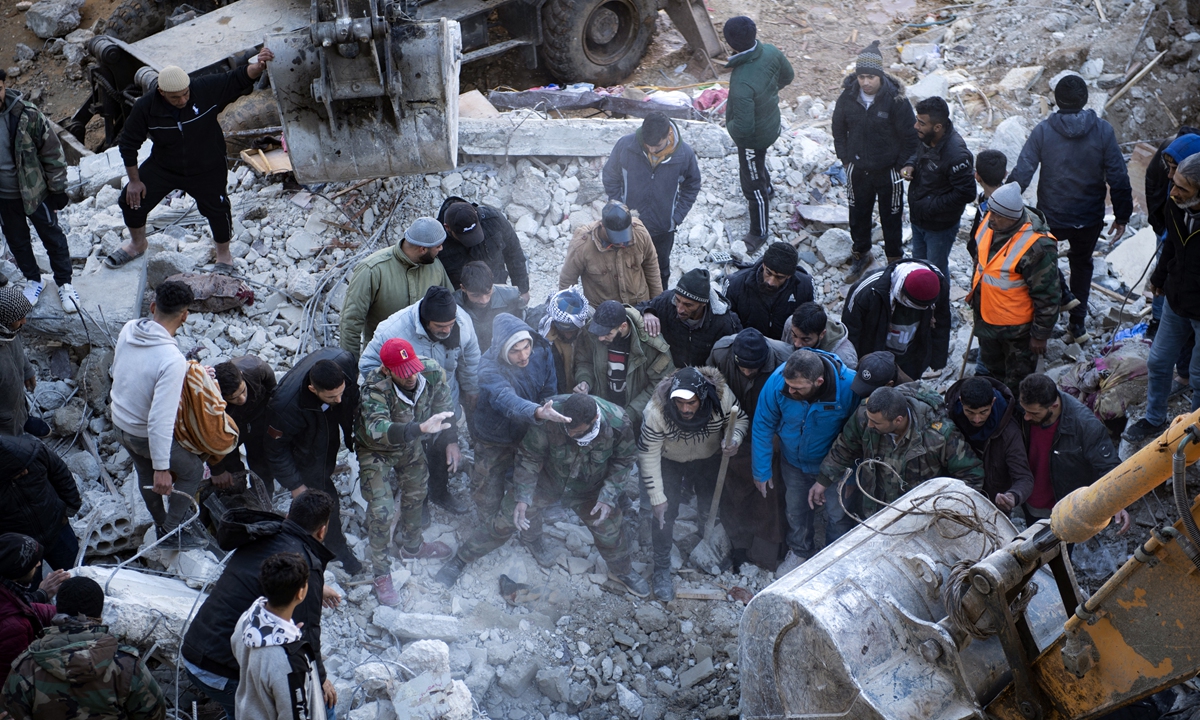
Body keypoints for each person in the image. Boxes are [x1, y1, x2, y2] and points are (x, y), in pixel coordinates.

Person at [435, 394, 651, 598]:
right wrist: (523, 496)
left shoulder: (618, 422)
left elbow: (624, 460)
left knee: (609, 531)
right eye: (568, 430)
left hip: (591, 488)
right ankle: (461, 559)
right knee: (507, 519)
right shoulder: (552, 413)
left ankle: (622, 571)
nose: (571, 435)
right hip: (547, 481)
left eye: (577, 432)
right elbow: (530, 456)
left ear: (595, 419)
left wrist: (608, 495)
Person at [106, 50, 274, 272]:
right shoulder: (145, 107)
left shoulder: (203, 88)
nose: (183, 100)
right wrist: (135, 181)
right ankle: (138, 244)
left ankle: (224, 256)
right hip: (165, 165)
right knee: (130, 200)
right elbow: (128, 144)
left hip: (207, 165)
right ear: (161, 92)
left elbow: (238, 77)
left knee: (218, 208)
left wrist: (259, 66)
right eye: (175, 97)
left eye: (185, 94)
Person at [182, 491, 339, 719]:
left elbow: (259, 574)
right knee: (324, 708)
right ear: (322, 530)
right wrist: (322, 679)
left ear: (287, 515)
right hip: (219, 670)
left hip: (194, 648)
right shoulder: (307, 565)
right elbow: (308, 635)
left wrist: (314, 586)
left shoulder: (262, 534)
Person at [1008, 75, 1133, 342]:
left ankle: (1048, 316)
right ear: (1085, 100)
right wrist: (1122, 215)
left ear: (1057, 101)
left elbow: (1023, 172)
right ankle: (1077, 326)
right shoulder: (1103, 131)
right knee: (1082, 264)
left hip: (1052, 216)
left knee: (1042, 260)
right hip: (1089, 217)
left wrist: (1001, 203)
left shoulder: (1043, 131)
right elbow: (1119, 176)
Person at [360, 285, 480, 516]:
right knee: (412, 457)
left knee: (440, 448)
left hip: (444, 398)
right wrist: (396, 396)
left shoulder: (461, 322)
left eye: (450, 325)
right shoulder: (392, 331)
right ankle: (418, 502)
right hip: (408, 408)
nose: (447, 330)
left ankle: (440, 492)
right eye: (440, 327)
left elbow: (472, 357)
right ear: (425, 321)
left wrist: (472, 388)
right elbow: (367, 366)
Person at [356, 339, 456, 605]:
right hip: (376, 450)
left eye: (412, 368)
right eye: (402, 372)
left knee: (417, 492)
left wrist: (451, 440)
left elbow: (445, 408)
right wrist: (420, 430)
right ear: (387, 371)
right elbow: (379, 429)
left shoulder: (431, 371)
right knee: (382, 510)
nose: (411, 376)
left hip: (411, 444)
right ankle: (380, 571)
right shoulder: (374, 387)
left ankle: (412, 546)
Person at [110, 280, 207, 548]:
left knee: (144, 471)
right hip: (143, 433)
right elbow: (160, 420)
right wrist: (162, 468)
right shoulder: (171, 358)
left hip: (119, 422)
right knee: (192, 471)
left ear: (153, 306)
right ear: (185, 315)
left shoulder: (130, 328)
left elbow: (117, 371)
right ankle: (170, 531)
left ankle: (159, 518)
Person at [640, 367, 747, 600]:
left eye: (692, 403)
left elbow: (740, 420)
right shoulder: (656, 411)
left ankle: (707, 543)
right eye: (679, 403)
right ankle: (661, 567)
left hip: (708, 458)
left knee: (709, 504)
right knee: (664, 514)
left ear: (703, 396)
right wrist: (657, 498)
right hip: (669, 460)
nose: (686, 409)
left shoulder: (722, 397)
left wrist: (735, 438)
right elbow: (648, 454)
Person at [752, 349, 857, 574]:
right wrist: (761, 469)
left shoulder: (848, 387)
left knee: (838, 513)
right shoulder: (779, 381)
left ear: (818, 382)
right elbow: (763, 424)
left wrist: (852, 476)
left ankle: (834, 558)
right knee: (796, 509)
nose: (789, 391)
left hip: (834, 466)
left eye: (797, 388)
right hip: (794, 462)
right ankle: (800, 550)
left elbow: (858, 434)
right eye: (788, 385)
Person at [3, 576, 167, 720]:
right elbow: (154, 714)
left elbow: (11, 713)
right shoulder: (128, 665)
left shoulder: (26, 665)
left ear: (58, 612)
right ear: (100, 615)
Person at [814, 385, 985, 521]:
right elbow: (845, 446)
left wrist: (945, 512)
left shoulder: (939, 436)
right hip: (874, 510)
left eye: (876, 423)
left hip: (918, 519)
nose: (869, 425)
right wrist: (823, 480)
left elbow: (971, 474)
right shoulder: (867, 415)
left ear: (898, 420)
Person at [470, 315, 563, 553]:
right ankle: (490, 532)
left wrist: (545, 412)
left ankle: (532, 537)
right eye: (515, 351)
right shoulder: (488, 367)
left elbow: (550, 388)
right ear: (502, 349)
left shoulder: (541, 351)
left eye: (526, 347)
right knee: (487, 491)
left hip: (528, 432)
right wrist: (538, 412)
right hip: (493, 437)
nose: (523, 356)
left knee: (529, 490)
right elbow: (507, 401)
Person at [264, 349, 362, 573]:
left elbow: (349, 398)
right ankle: (332, 548)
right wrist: (296, 486)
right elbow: (275, 452)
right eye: (331, 397)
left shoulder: (344, 362)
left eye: (340, 393)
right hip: (305, 444)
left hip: (323, 425)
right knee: (324, 499)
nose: (338, 400)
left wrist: (352, 433)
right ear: (312, 389)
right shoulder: (283, 408)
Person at [1125, 152, 1200, 443]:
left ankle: (1193, 436)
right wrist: (1158, 277)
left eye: (1183, 188)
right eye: (1175, 182)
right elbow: (1172, 244)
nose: (1173, 190)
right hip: (1176, 299)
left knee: (1198, 376)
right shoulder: (1175, 205)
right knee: (1158, 361)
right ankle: (1154, 420)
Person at [831, 41, 919, 282]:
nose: (866, 82)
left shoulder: (895, 99)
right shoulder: (847, 98)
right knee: (857, 214)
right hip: (857, 169)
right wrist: (845, 159)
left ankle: (894, 261)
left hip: (888, 171)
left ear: (880, 76)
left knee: (891, 216)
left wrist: (902, 164)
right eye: (861, 77)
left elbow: (911, 137)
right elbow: (838, 129)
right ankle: (861, 255)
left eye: (871, 77)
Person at [707, 329, 792, 570]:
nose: (747, 373)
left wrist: (778, 435)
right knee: (733, 488)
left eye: (752, 369)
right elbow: (713, 394)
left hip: (770, 434)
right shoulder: (721, 352)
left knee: (768, 491)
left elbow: (796, 401)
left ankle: (766, 551)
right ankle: (738, 543)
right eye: (742, 368)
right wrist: (727, 433)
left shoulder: (785, 359)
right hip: (734, 429)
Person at [967, 182, 1060, 393]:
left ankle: (1015, 418)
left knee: (1017, 383)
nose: (991, 219)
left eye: (997, 216)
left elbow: (1048, 295)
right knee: (992, 375)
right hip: (987, 319)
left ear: (1012, 217)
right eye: (990, 212)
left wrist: (1040, 334)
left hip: (1016, 332)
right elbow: (980, 260)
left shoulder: (1037, 247)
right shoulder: (990, 223)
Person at [0, 69, 77, 312]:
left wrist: (58, 189)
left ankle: (65, 284)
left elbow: (52, 152)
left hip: (37, 193)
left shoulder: (27, 114)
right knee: (17, 242)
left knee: (53, 237)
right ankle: (34, 280)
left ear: (3, 86)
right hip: (4, 198)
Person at [602, 111, 703, 289]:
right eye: (648, 146)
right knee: (625, 268)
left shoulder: (684, 154)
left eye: (657, 146)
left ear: (669, 134)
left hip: (663, 228)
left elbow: (692, 185)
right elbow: (610, 175)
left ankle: (658, 305)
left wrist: (676, 217)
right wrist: (619, 209)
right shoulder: (626, 145)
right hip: (629, 226)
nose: (652, 150)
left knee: (660, 270)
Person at [721, 16, 794, 253]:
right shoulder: (771, 52)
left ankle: (759, 231)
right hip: (771, 123)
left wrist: (728, 123)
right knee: (759, 162)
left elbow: (743, 130)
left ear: (730, 43)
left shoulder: (742, 81)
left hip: (754, 138)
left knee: (752, 183)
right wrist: (768, 93)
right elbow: (788, 76)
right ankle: (769, 189)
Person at [1019, 374, 1126, 532]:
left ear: (1054, 406)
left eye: (1034, 413)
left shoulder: (1086, 426)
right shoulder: (1026, 412)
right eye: (1025, 411)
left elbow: (1108, 466)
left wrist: (1116, 501)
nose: (1026, 417)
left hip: (1064, 511)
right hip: (1030, 503)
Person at [339, 217, 453, 357]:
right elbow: (351, 321)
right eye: (438, 246)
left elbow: (451, 303)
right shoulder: (372, 270)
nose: (441, 249)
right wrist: (352, 366)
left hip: (424, 357)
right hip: (384, 359)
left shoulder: (435, 265)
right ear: (422, 249)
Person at [232, 553, 328, 720]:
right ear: (300, 593)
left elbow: (236, 645)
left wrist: (288, 633)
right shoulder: (289, 662)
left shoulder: (248, 619)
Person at [573, 300, 674, 429]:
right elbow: (584, 361)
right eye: (599, 333)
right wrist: (584, 381)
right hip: (600, 409)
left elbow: (661, 384)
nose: (600, 338)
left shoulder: (652, 344)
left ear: (623, 326)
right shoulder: (591, 331)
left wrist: (630, 413)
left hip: (637, 416)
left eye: (608, 333)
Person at [843, 260, 949, 380]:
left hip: (912, 355)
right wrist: (854, 367)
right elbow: (851, 329)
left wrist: (937, 360)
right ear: (902, 292)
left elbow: (942, 321)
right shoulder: (871, 290)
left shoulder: (937, 283)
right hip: (874, 353)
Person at [945, 375, 1034, 515]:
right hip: (953, 502)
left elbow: (1024, 478)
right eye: (969, 412)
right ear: (961, 401)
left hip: (992, 506)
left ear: (993, 402)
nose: (976, 419)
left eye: (983, 412)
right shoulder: (948, 421)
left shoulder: (1009, 433)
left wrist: (1012, 496)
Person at [907, 96, 975, 278]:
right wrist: (910, 164)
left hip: (939, 227)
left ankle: (939, 305)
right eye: (917, 120)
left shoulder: (957, 155)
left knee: (935, 273)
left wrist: (930, 205)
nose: (916, 126)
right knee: (917, 266)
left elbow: (967, 193)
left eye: (921, 123)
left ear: (937, 127)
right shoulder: (927, 137)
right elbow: (919, 154)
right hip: (919, 218)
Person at [0, 433, 81, 579]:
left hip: (57, 528)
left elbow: (61, 473)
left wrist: (69, 508)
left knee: (76, 573)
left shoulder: (32, 450)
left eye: (26, 465)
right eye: (18, 471)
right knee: (28, 592)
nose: (25, 470)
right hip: (22, 547)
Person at [559, 201, 662, 308]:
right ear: (602, 225)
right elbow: (567, 281)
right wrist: (569, 313)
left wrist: (656, 306)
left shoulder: (639, 233)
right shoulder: (582, 245)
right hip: (604, 313)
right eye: (617, 238)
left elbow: (651, 266)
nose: (622, 243)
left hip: (639, 305)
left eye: (625, 236)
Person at [640, 268, 742, 368]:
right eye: (677, 300)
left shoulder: (725, 323)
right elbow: (636, 308)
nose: (679, 309)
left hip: (703, 376)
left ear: (703, 303)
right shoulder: (666, 301)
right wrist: (647, 312)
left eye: (688, 305)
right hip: (668, 370)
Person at [436, 196, 529, 300]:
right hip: (462, 302)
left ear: (476, 214)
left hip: (496, 291)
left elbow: (514, 253)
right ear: (447, 227)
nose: (471, 242)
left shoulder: (494, 221)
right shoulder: (437, 239)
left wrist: (522, 289)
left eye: (475, 233)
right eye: (464, 238)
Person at [210, 356, 277, 489]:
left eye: (243, 391)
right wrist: (217, 470)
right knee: (233, 476)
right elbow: (209, 437)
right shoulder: (211, 403)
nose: (242, 399)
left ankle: (264, 502)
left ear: (241, 375)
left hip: (258, 421)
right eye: (234, 398)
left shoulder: (258, 369)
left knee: (263, 468)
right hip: (229, 432)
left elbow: (274, 394)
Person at [725, 242, 815, 340]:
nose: (771, 282)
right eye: (768, 272)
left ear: (789, 276)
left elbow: (808, 324)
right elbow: (727, 324)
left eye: (779, 277)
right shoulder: (735, 284)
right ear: (764, 265)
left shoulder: (805, 286)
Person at [0, 533, 56, 687]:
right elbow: (13, 676)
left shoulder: (8, 593)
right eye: (33, 561)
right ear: (18, 570)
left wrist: (66, 611)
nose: (39, 564)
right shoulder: (14, 627)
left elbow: (26, 607)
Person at [453, 260, 524, 352]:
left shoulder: (511, 296)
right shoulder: (453, 305)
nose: (484, 300)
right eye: (476, 295)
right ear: (463, 288)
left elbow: (524, 320)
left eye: (488, 293)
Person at [532, 287, 592, 394]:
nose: (568, 336)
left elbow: (588, 361)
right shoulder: (537, 331)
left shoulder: (590, 326)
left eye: (572, 331)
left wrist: (585, 382)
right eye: (564, 330)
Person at [0, 286, 38, 436]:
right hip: (4, 420)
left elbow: (18, 351)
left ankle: (23, 420)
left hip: (16, 404)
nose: (24, 321)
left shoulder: (8, 330)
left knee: (18, 405)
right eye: (19, 318)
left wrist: (27, 371)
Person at [788, 301, 858, 369]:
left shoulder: (844, 357)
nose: (797, 344)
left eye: (805, 339)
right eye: (794, 336)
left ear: (822, 334)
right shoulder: (790, 324)